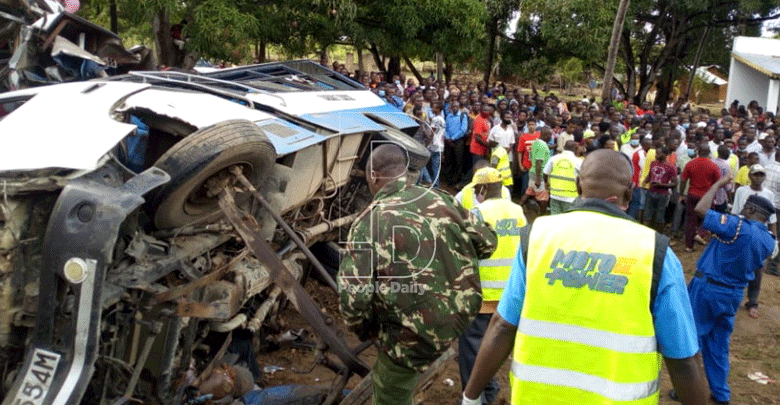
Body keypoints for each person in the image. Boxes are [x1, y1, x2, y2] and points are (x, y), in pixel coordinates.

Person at [461, 150, 709, 405]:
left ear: (579, 186)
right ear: (630, 192)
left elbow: (502, 326)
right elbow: (683, 359)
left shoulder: (538, 237)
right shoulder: (655, 252)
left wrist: (470, 397)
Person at [339, 144, 497, 405]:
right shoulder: (442, 199)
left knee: (389, 390)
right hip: (459, 316)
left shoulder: (368, 222)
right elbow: (488, 243)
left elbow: (353, 301)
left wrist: (368, 330)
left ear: (374, 176)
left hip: (412, 334)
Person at [680, 179, 775, 405]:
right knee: (719, 345)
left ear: (751, 209)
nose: (741, 210)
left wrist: (716, 185)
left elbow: (701, 209)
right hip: (733, 293)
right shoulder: (769, 241)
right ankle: (721, 394)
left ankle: (688, 390)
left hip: (708, 288)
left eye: (745, 207)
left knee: (693, 340)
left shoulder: (736, 226)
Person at [459, 167, 529, 405]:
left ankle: (475, 397)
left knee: (472, 348)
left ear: (482, 189)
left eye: (476, 189)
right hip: (512, 293)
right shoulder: (518, 211)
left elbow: (466, 251)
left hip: (484, 293)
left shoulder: (478, 213)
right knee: (498, 345)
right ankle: (491, 387)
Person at [732, 164, 777, 318]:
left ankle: (752, 302)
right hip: (743, 233)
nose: (758, 177)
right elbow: (736, 212)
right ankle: (734, 299)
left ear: (764, 177)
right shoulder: (741, 191)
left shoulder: (769, 194)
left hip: (760, 237)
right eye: (755, 174)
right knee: (738, 267)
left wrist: (774, 241)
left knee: (757, 271)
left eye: (761, 175)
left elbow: (772, 220)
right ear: (750, 176)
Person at [680, 143, 721, 252]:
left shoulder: (690, 164)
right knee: (708, 217)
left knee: (691, 221)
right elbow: (718, 182)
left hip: (692, 194)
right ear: (709, 153)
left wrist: (681, 194)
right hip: (706, 196)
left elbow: (683, 180)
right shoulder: (713, 166)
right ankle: (700, 233)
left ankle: (689, 246)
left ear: (697, 152)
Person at [642, 146, 678, 233]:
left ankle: (659, 235)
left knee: (660, 217)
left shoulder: (671, 167)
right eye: (656, 153)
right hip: (651, 191)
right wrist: (644, 182)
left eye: (659, 153)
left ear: (665, 155)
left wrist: (662, 185)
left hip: (663, 194)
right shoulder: (653, 163)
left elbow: (675, 183)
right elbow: (650, 175)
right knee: (647, 215)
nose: (656, 155)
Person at [543, 140, 582, 214]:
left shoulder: (554, 158)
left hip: (555, 194)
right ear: (575, 149)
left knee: (555, 218)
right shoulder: (578, 161)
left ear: (564, 147)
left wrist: (546, 183)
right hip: (570, 197)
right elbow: (583, 176)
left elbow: (545, 172)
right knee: (567, 220)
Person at [520, 126, 551, 214]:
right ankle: (541, 216)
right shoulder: (542, 145)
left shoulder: (536, 143)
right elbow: (538, 162)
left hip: (532, 172)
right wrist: (538, 179)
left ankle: (518, 207)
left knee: (529, 192)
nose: (551, 137)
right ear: (546, 135)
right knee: (544, 198)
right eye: (550, 135)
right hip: (539, 175)